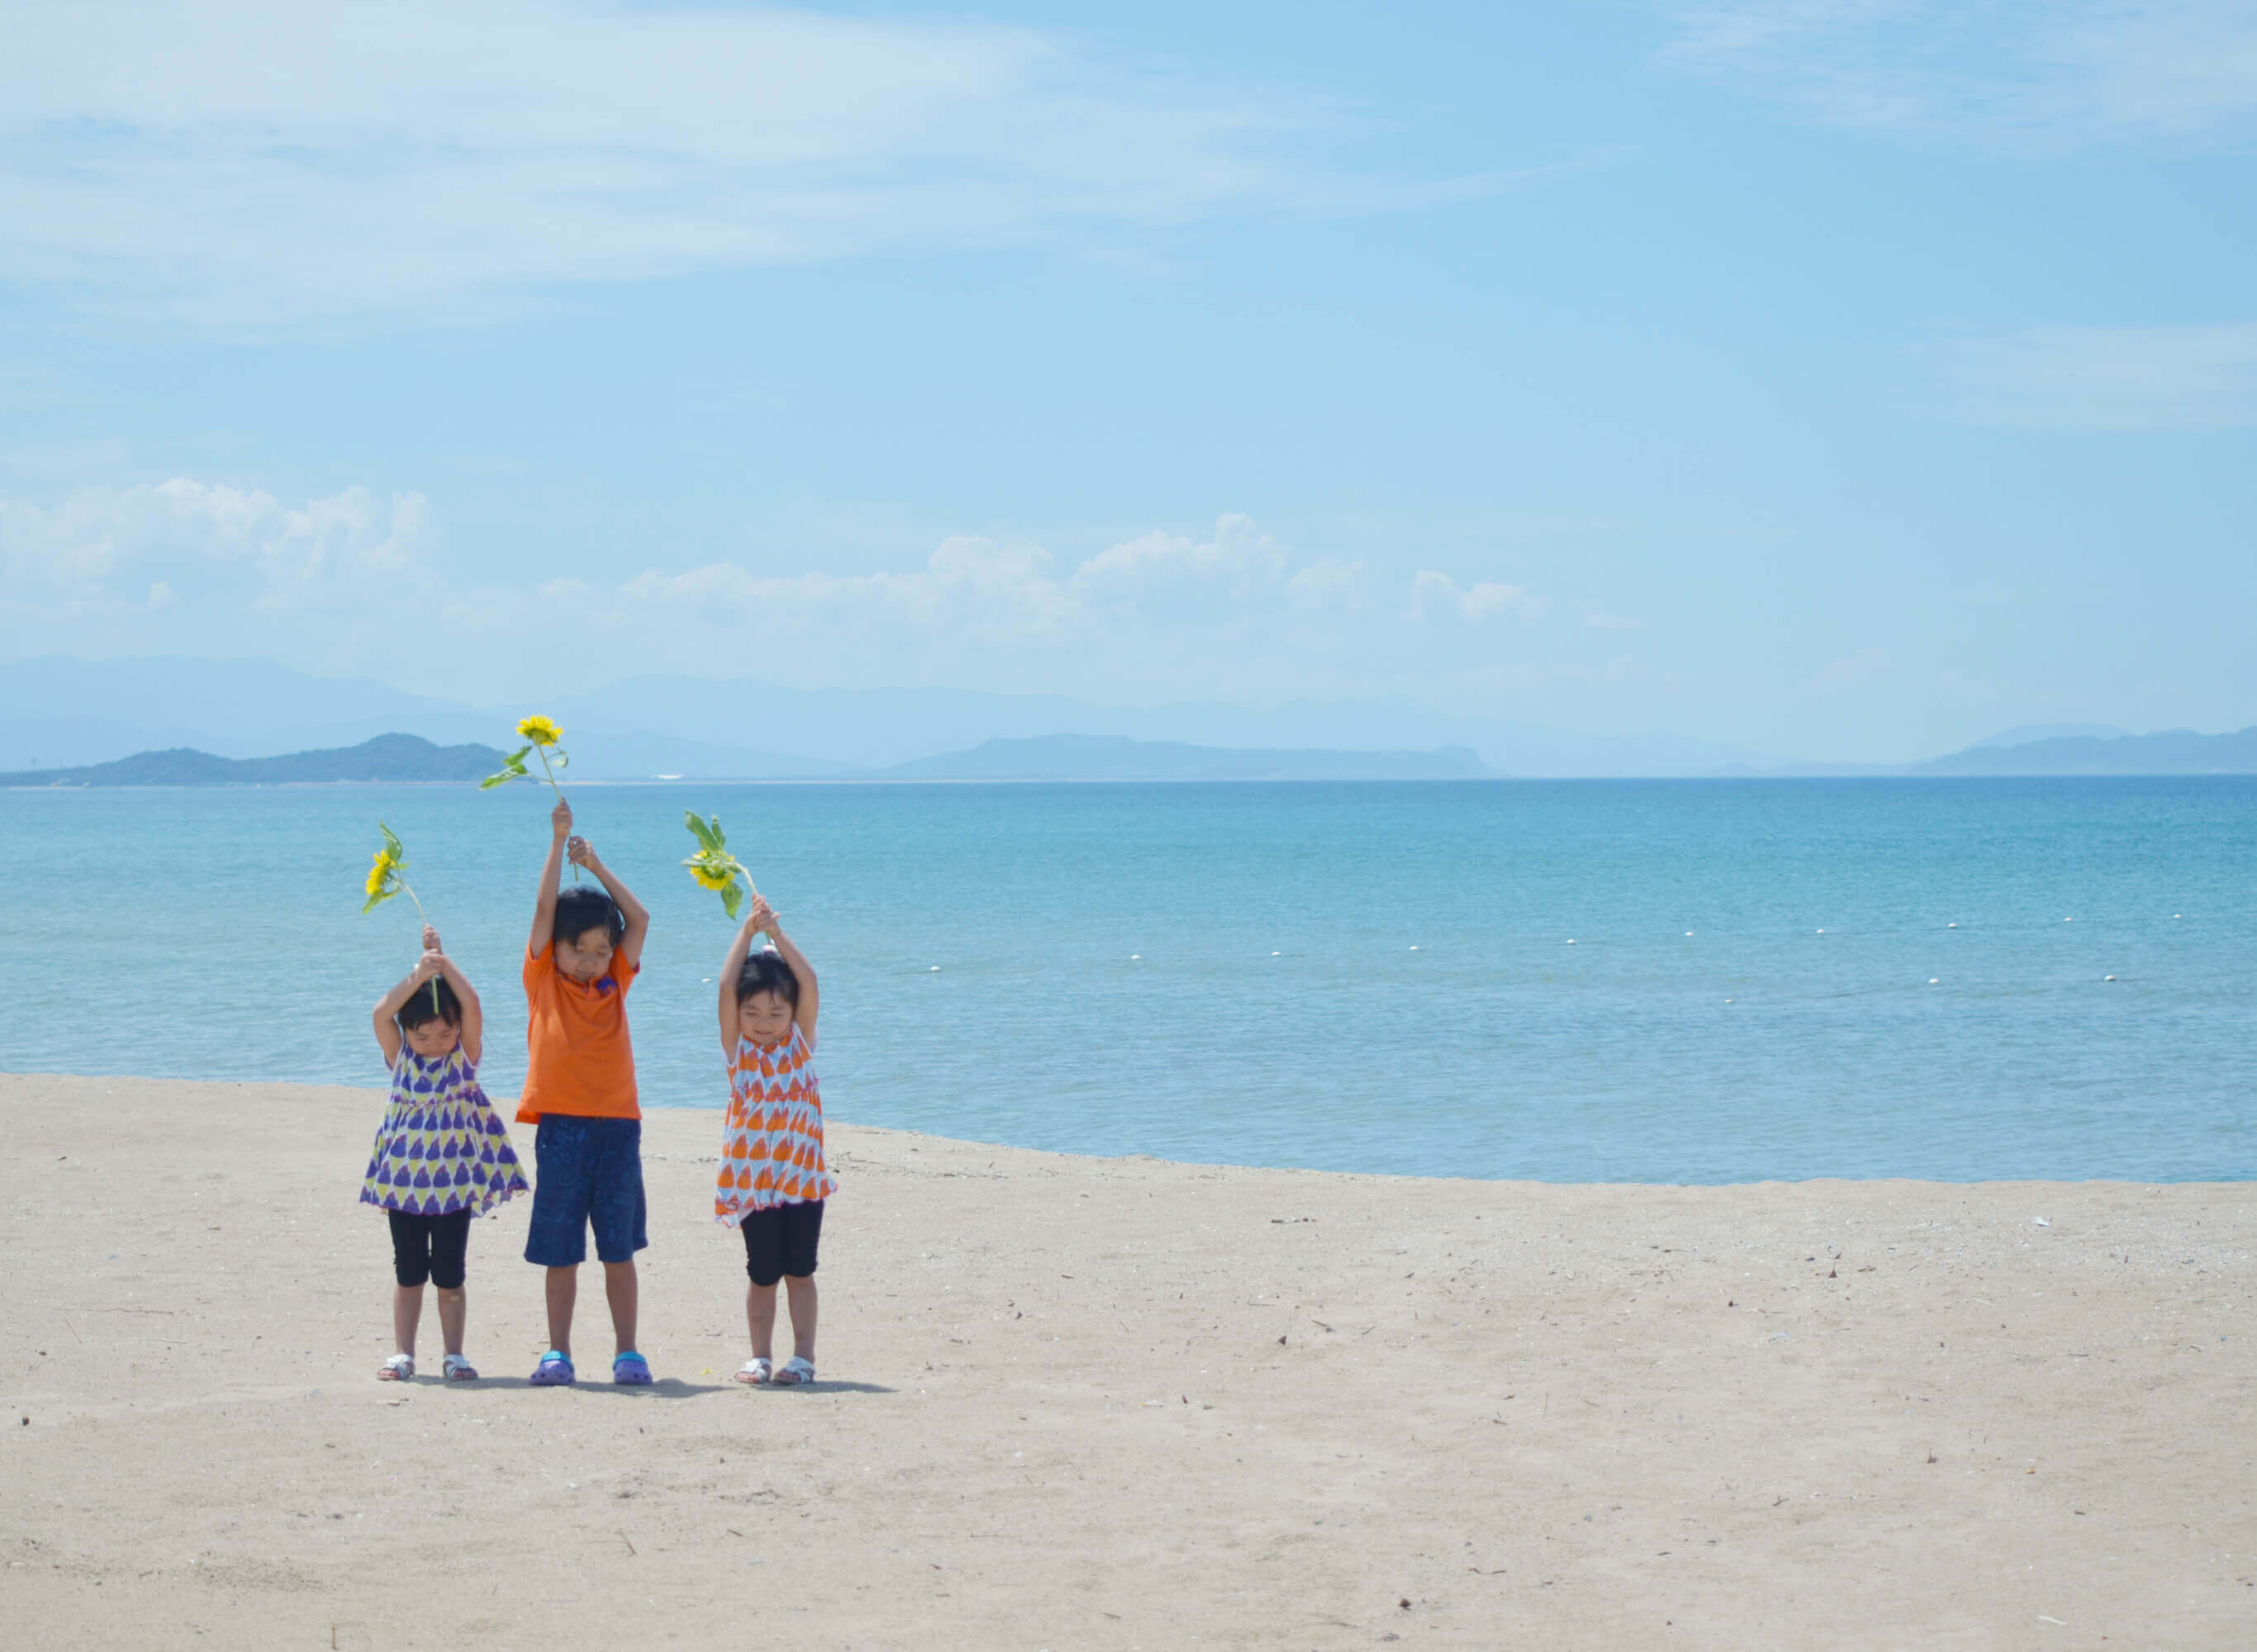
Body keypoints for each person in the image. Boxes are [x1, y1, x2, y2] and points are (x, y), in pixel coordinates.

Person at [517, 798, 653, 1387]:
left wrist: (597, 866)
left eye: (602, 950)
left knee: (618, 1250)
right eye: (581, 949)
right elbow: (546, 907)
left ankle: (628, 1352)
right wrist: (557, 842)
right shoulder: (544, 977)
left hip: (618, 1127)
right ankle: (558, 1352)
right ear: (559, 948)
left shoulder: (615, 982)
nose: (592, 961)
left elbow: (640, 920)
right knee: (561, 1248)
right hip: (562, 1128)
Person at [362, 925, 527, 1381]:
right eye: (422, 1036)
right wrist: (419, 976)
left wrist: (445, 962)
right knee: (409, 1272)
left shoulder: (464, 1058)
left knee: (450, 1275)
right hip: (405, 1186)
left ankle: (454, 1354)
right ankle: (403, 1353)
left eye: (443, 1033)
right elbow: (381, 1013)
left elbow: (471, 1003)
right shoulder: (400, 1058)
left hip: (453, 1188)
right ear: (407, 1035)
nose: (434, 1044)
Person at [715, 895, 834, 1386]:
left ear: (792, 1014)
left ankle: (802, 1357)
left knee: (800, 1272)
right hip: (754, 1185)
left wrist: (777, 937)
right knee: (762, 1273)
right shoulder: (738, 1051)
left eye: (776, 1012)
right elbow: (725, 985)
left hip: (802, 1181)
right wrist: (745, 934)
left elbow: (809, 982)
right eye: (754, 1011)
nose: (764, 1022)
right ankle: (760, 1357)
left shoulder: (800, 1043)